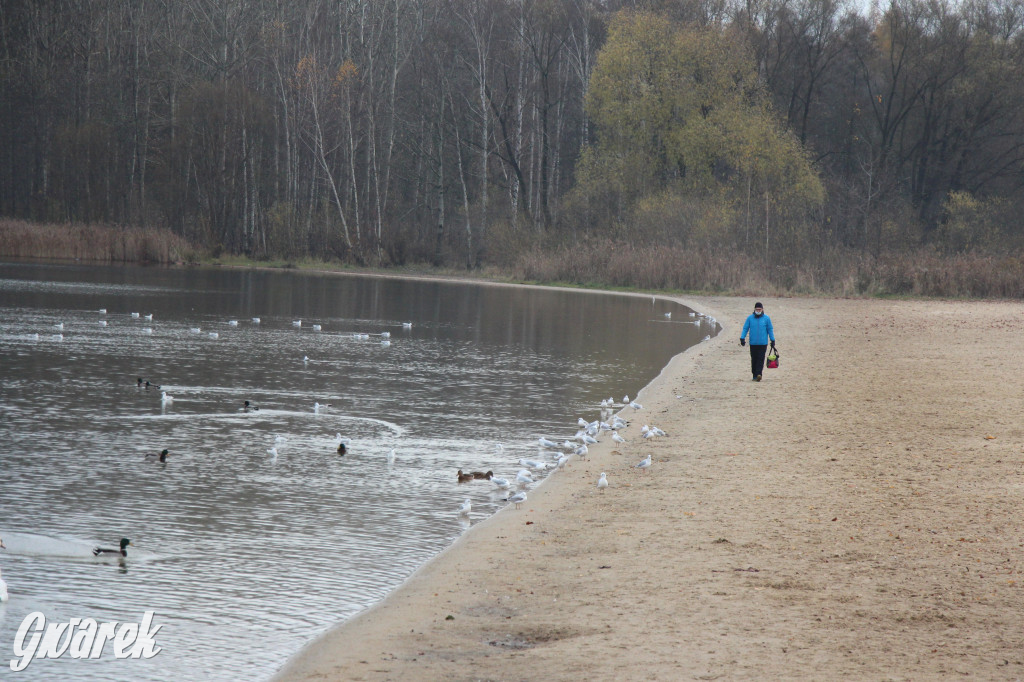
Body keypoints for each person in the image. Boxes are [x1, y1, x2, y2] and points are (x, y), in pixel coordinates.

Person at [740, 302, 775, 382]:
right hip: (753, 343)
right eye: (757, 309)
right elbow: (745, 328)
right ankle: (754, 375)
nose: (758, 311)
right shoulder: (750, 318)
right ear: (754, 309)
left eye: (759, 309)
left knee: (761, 359)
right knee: (754, 359)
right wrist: (742, 338)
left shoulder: (766, 318)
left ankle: (759, 374)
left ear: (762, 309)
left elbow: (770, 329)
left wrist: (772, 340)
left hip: (763, 343)